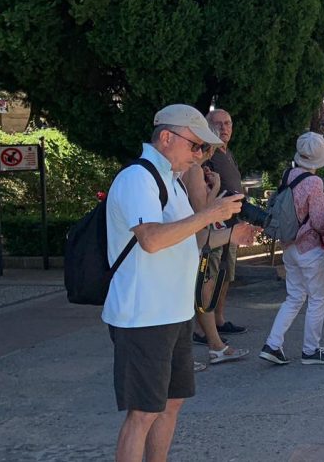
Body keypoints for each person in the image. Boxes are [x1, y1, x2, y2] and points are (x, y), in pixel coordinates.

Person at [104, 104, 252, 462]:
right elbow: (152, 239)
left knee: (171, 403)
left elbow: (191, 240)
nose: (200, 155)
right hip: (143, 315)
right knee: (142, 412)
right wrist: (208, 214)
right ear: (166, 137)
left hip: (173, 311)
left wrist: (229, 235)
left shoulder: (171, 180)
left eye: (204, 148)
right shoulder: (138, 178)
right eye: (195, 145)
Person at [259, 133, 324, 366]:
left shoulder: (288, 174)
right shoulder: (313, 182)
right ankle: (311, 349)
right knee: (318, 298)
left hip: (289, 244)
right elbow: (320, 221)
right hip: (309, 247)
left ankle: (273, 344)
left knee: (294, 297)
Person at [181, 151, 249, 370]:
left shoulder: (192, 171)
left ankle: (214, 345)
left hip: (198, 239)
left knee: (201, 293)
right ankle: (200, 350)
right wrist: (217, 189)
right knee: (199, 293)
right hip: (196, 241)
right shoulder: (193, 171)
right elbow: (203, 213)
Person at [201, 109, 248, 338]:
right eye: (218, 124)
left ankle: (218, 320)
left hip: (232, 223)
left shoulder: (226, 152)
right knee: (208, 276)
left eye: (228, 123)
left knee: (226, 274)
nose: (224, 128)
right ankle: (204, 330)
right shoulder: (206, 154)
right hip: (213, 225)